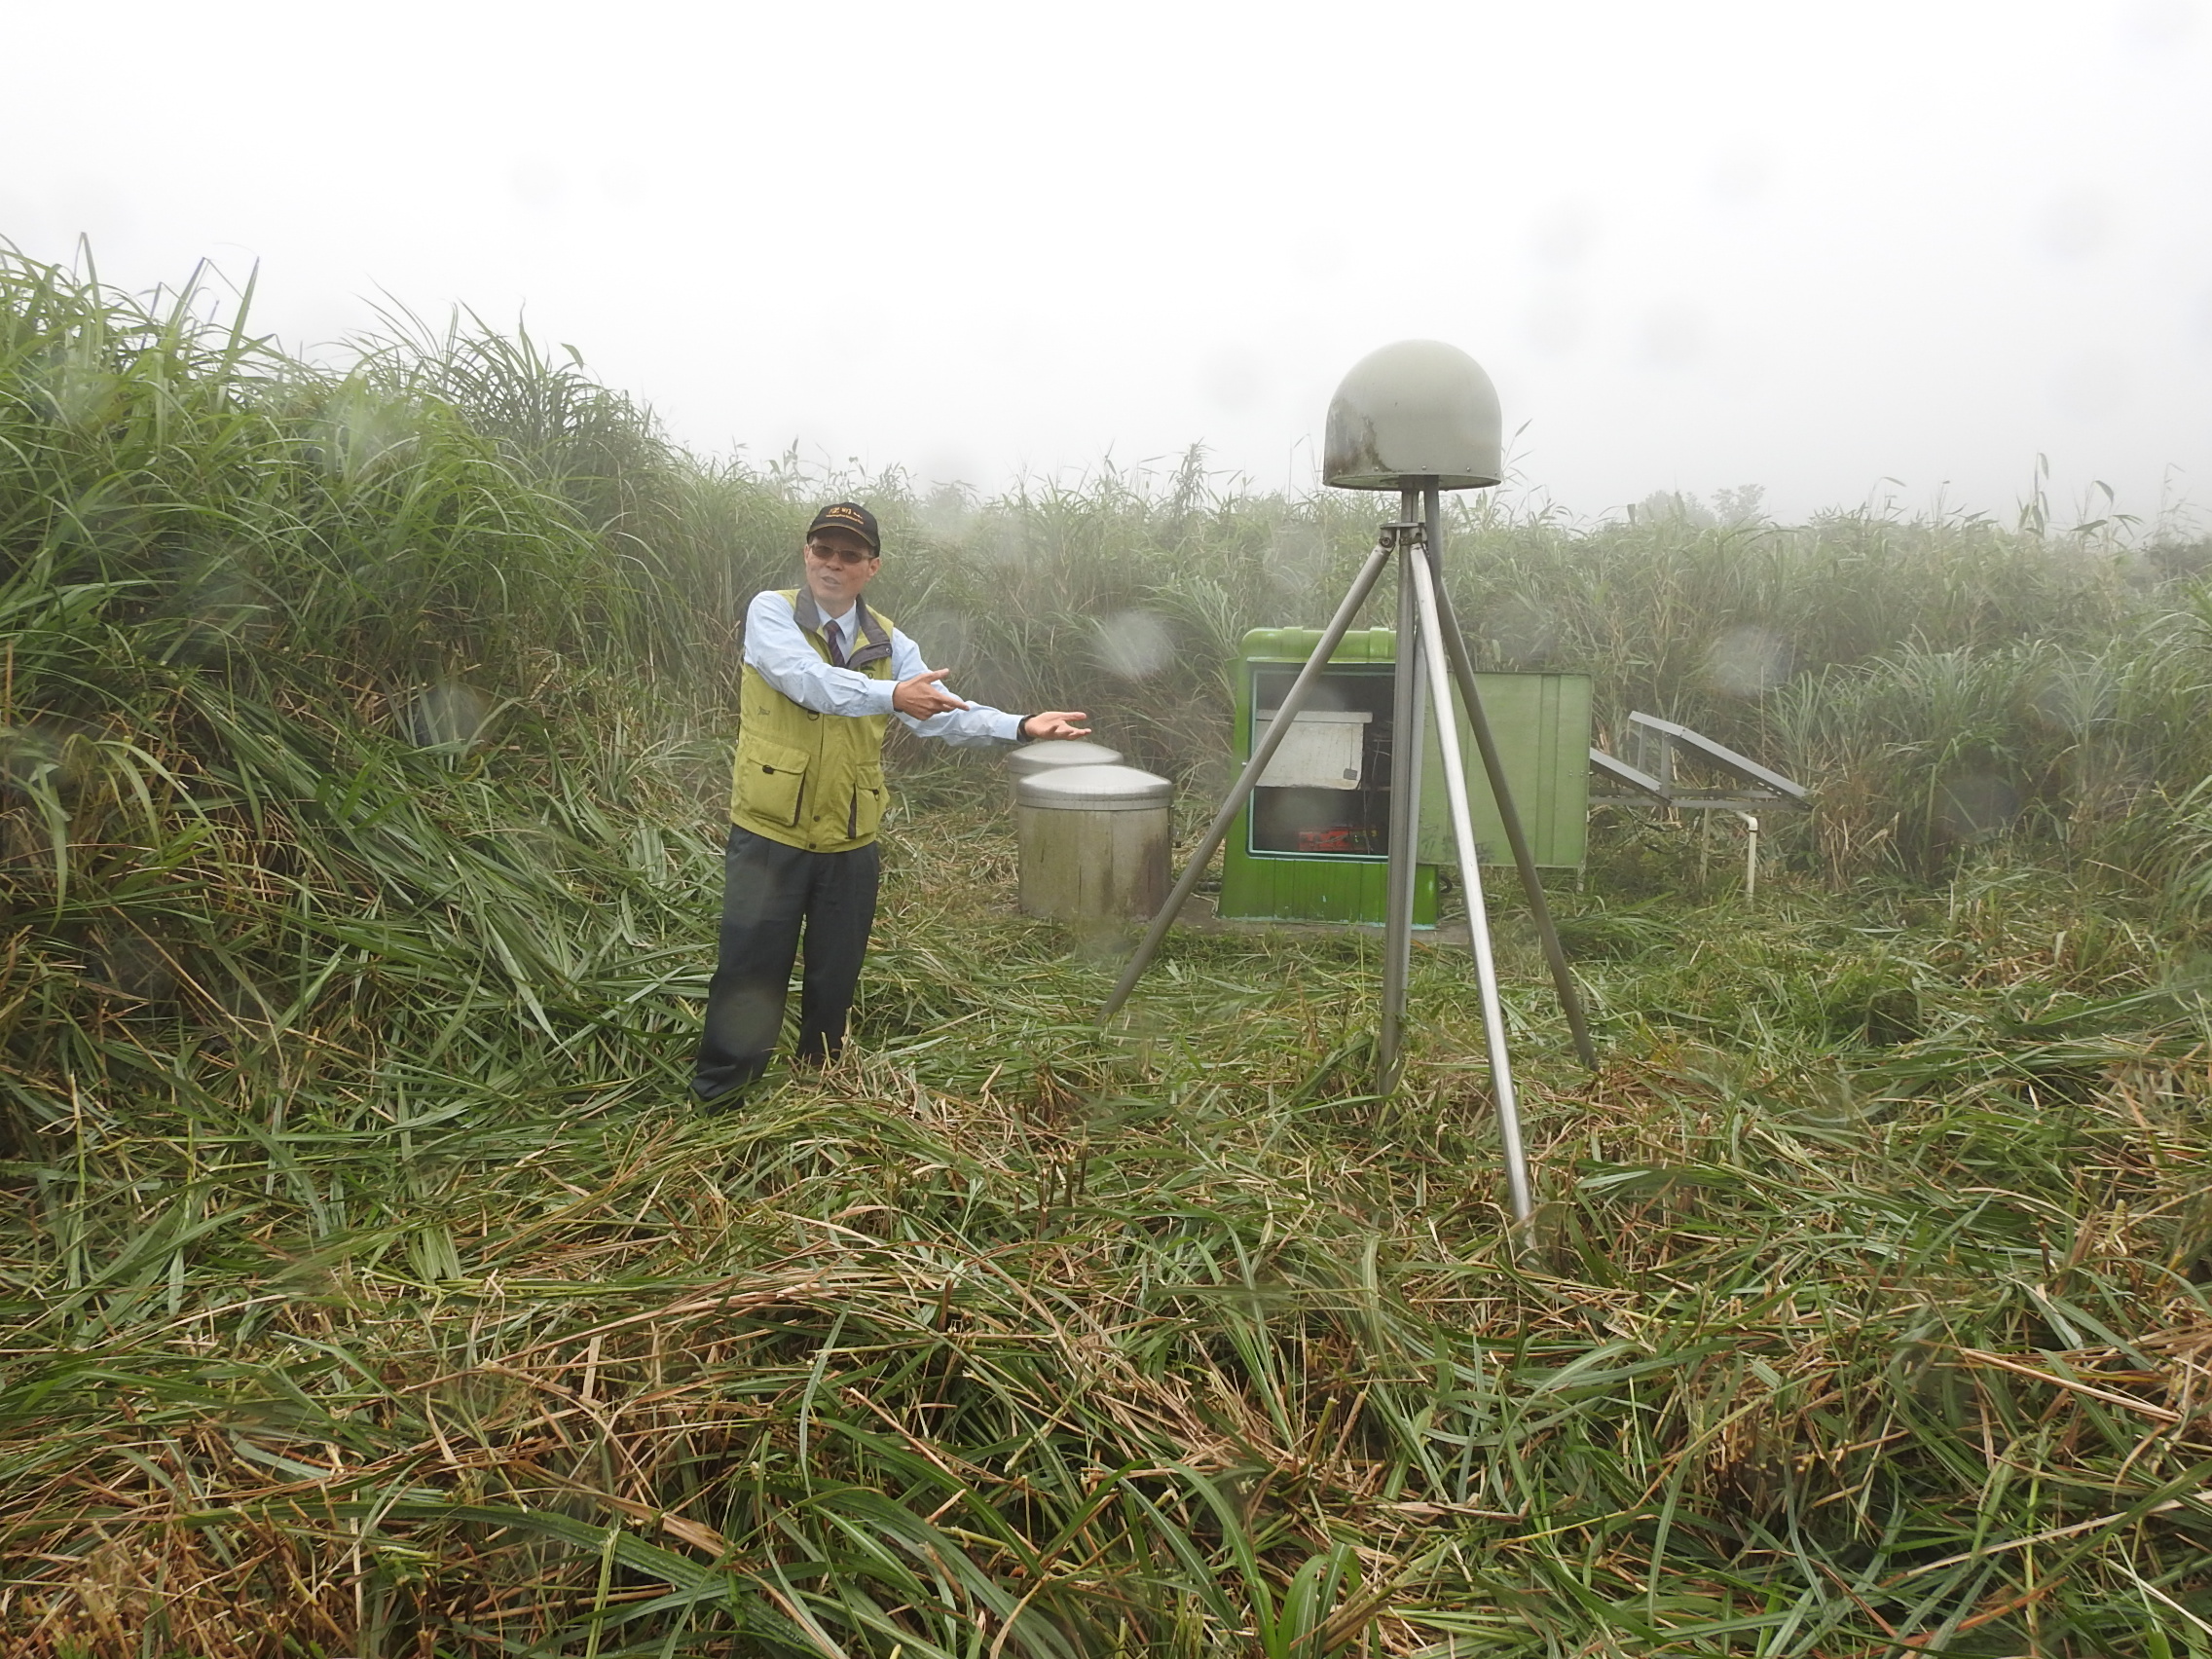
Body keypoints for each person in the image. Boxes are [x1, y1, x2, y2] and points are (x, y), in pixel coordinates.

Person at [691, 501, 1090, 1102]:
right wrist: (894, 695)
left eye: (849, 555)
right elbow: (808, 681)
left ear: (871, 567)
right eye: (823, 550)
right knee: (749, 970)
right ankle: (720, 1098)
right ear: (807, 554)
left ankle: (820, 1088)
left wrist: (1021, 725)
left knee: (835, 976)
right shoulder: (771, 613)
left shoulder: (890, 642)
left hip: (851, 837)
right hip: (771, 830)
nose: (833, 564)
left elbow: (941, 712)